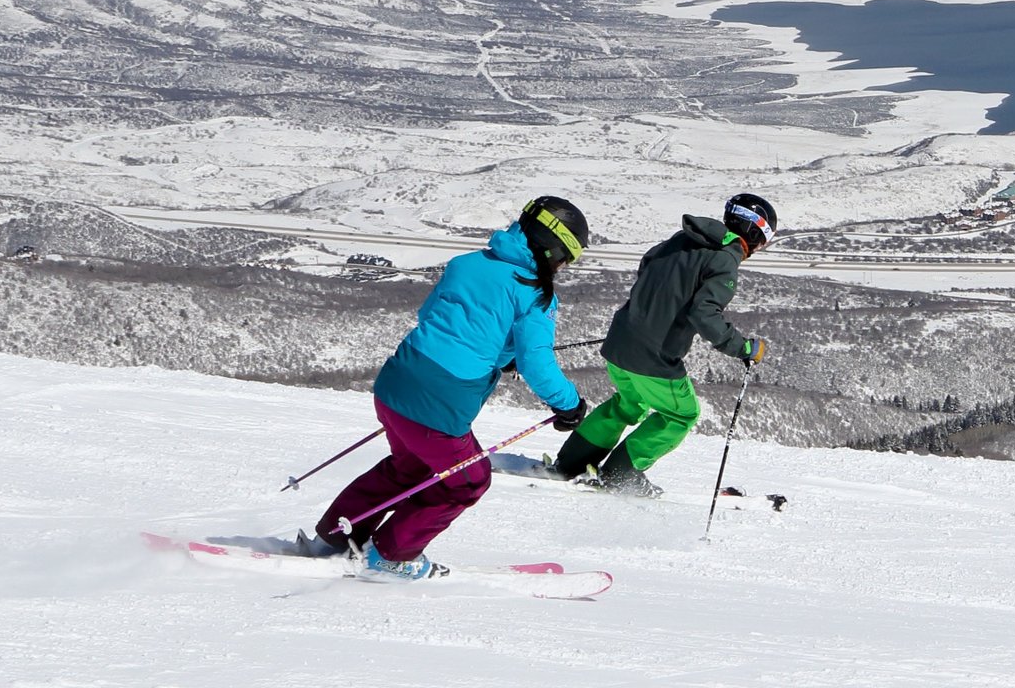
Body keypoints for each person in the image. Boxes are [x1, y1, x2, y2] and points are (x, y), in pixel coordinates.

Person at [304, 196, 592, 577]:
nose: (563, 267)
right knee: (469, 481)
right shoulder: (535, 292)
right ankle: (391, 555)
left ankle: (334, 539)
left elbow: (437, 318)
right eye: (565, 258)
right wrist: (569, 405)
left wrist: (496, 354)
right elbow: (537, 365)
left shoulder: (468, 263)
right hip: (438, 405)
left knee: (408, 469)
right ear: (551, 248)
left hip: (395, 382)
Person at [549, 192, 775, 497]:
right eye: (762, 242)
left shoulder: (682, 238)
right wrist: (744, 348)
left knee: (629, 403)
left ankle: (570, 462)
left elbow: (649, 266)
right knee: (681, 414)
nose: (758, 249)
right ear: (754, 232)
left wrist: (647, 316)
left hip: (620, 342)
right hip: (652, 357)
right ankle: (620, 474)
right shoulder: (725, 258)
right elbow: (705, 315)